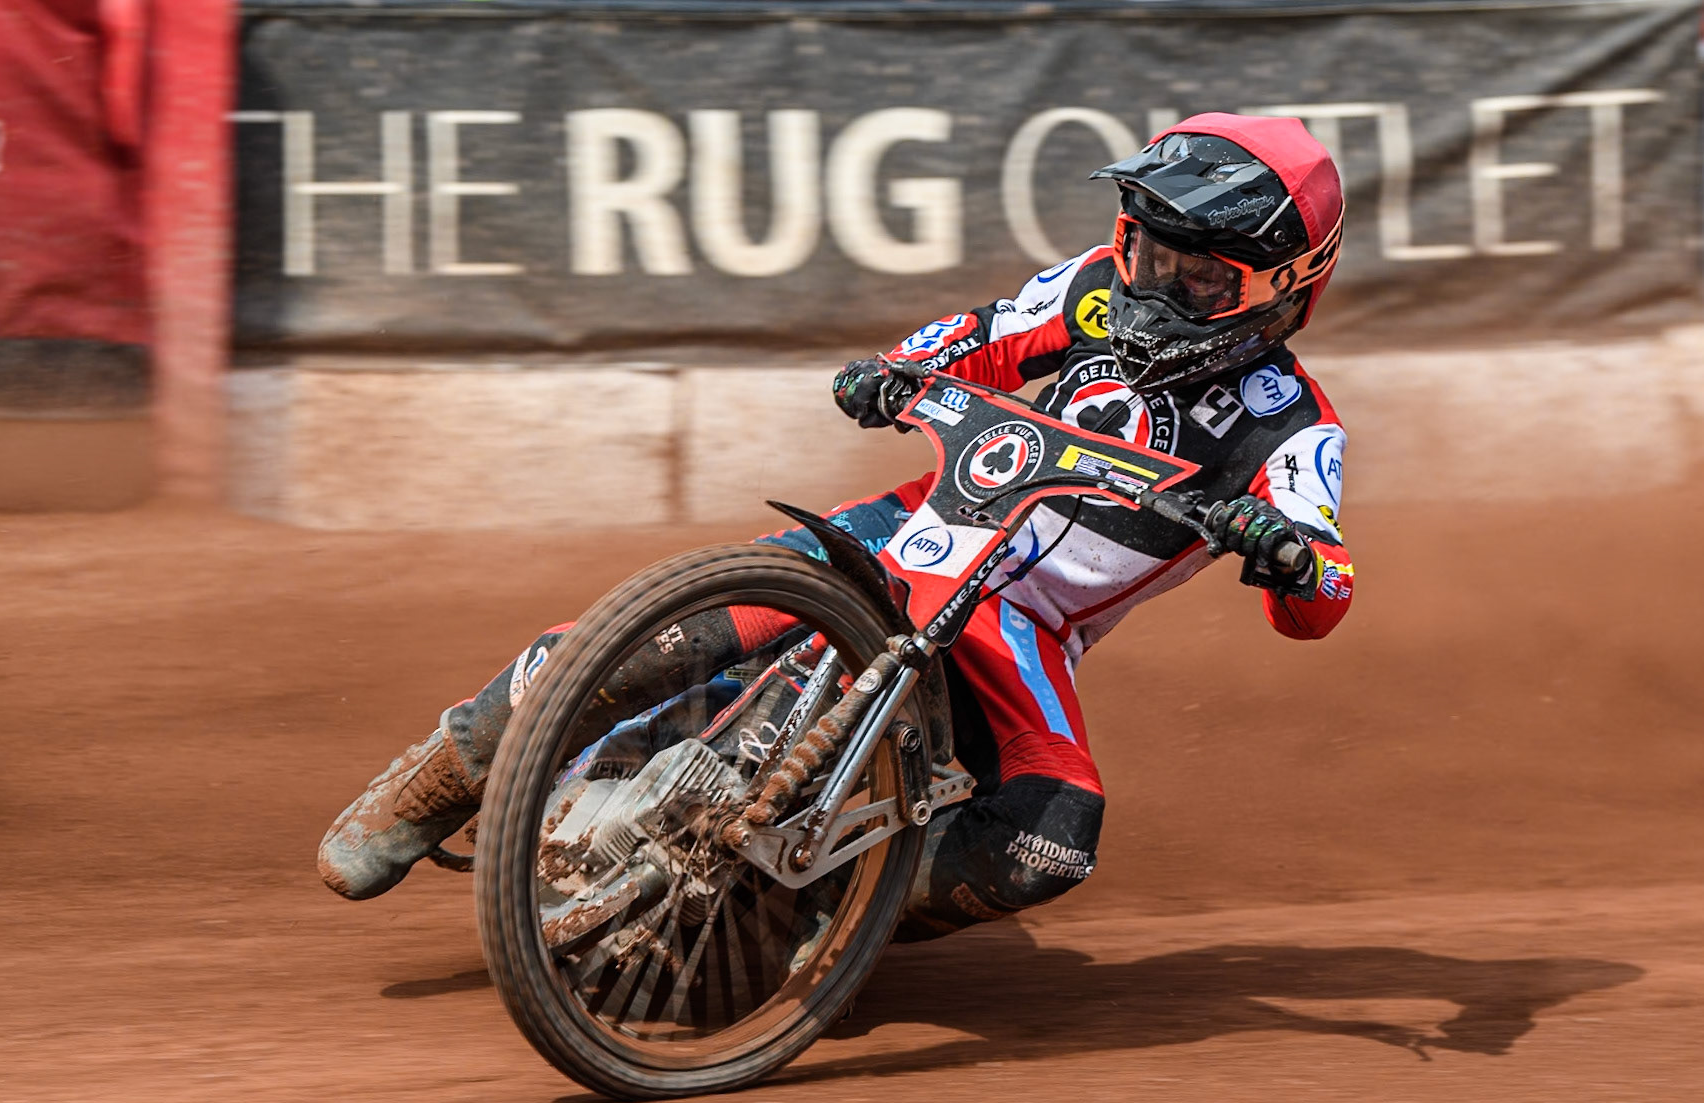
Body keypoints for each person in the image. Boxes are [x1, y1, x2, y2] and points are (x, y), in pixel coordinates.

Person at [317, 113, 1355, 941]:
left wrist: (1286, 555)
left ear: (1282, 288)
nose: (1157, 286)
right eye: (1149, 251)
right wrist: (895, 368)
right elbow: (981, 335)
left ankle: (823, 918)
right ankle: (444, 770)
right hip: (906, 533)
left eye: (1199, 276)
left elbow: (1323, 587)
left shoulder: (1293, 426)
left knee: (1053, 837)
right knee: (678, 631)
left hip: (1024, 629)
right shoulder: (1090, 287)